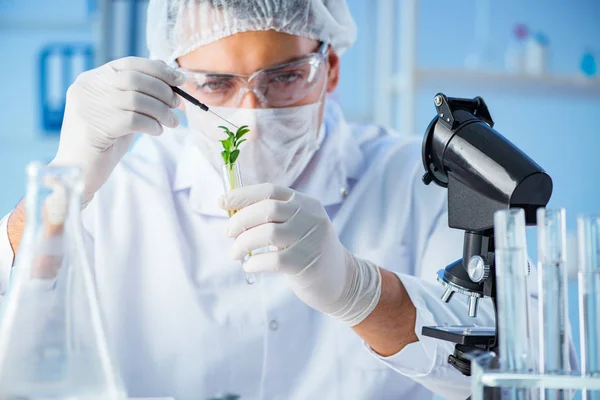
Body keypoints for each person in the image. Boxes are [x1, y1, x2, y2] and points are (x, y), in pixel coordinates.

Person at [0, 1, 575, 399]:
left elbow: (541, 371)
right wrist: (61, 185)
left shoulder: (414, 183)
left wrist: (363, 293)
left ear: (330, 67)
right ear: (176, 83)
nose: (251, 112)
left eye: (284, 76)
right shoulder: (119, 187)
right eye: (215, 84)